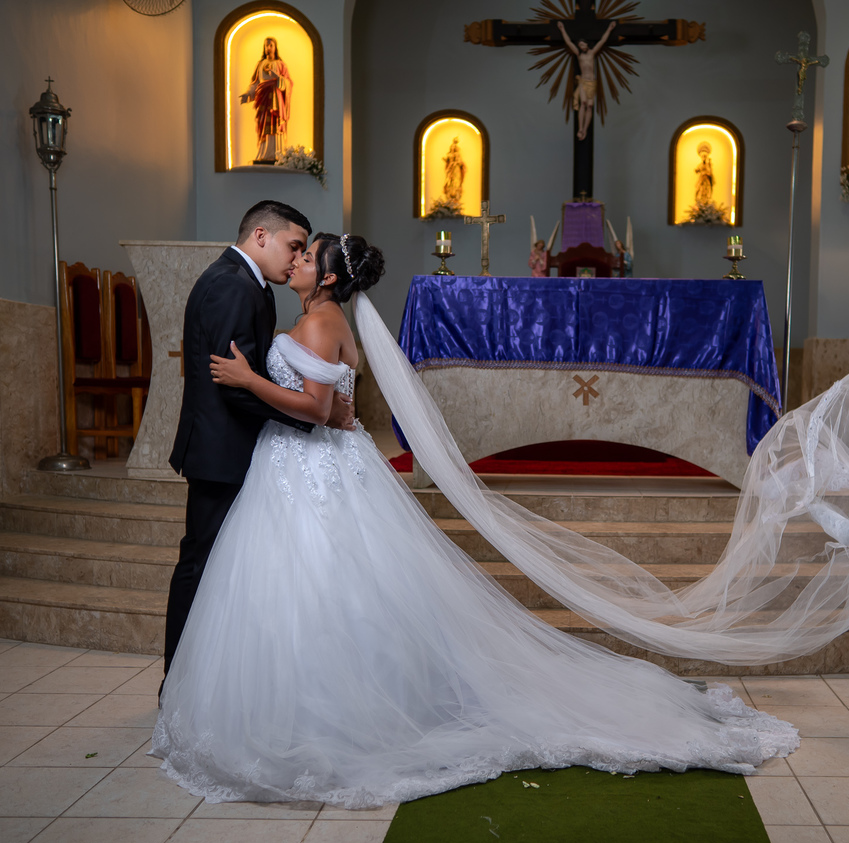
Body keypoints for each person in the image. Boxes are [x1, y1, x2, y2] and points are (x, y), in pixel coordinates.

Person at [152, 233, 800, 808]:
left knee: (324, 588)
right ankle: (302, 706)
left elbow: (323, 409)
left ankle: (327, 717)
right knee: (314, 591)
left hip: (310, 470)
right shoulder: (323, 315)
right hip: (304, 469)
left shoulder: (319, 323)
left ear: (325, 275)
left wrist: (245, 375)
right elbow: (346, 413)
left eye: (304, 254)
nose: (293, 259)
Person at [164, 201, 353, 687]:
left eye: (304, 255)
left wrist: (309, 408)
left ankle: (213, 682)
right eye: (294, 247)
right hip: (221, 449)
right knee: (202, 565)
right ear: (261, 235)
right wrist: (315, 413)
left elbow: (253, 375)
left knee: (229, 569)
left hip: (245, 448)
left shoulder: (251, 284)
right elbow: (232, 382)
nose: (295, 260)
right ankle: (179, 683)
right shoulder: (232, 284)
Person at [558, 19, 616, 140]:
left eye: (582, 45)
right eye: (579, 45)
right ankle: (580, 128)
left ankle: (585, 130)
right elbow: (568, 42)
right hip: (583, 81)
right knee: (583, 104)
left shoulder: (592, 53)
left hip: (592, 82)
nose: (580, 46)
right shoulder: (579, 55)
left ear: (586, 44)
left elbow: (602, 41)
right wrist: (562, 29)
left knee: (590, 106)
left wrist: (609, 29)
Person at [240, 37, 293, 164]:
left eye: (270, 45)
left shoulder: (281, 65)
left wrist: (278, 78)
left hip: (276, 100)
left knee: (276, 124)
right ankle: (264, 154)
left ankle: (278, 154)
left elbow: (288, 83)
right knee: (263, 124)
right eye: (266, 45)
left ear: (275, 47)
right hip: (263, 99)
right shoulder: (260, 65)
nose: (268, 48)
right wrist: (248, 94)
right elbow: (255, 82)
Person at [442, 136, 466, 203]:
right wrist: (448, 161)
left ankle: (455, 196)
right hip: (451, 170)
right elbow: (447, 161)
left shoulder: (458, 154)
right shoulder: (449, 155)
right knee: (450, 182)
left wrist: (456, 163)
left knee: (456, 183)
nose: (453, 148)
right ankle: (450, 197)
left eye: (455, 148)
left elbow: (460, 163)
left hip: (456, 170)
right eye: (452, 147)